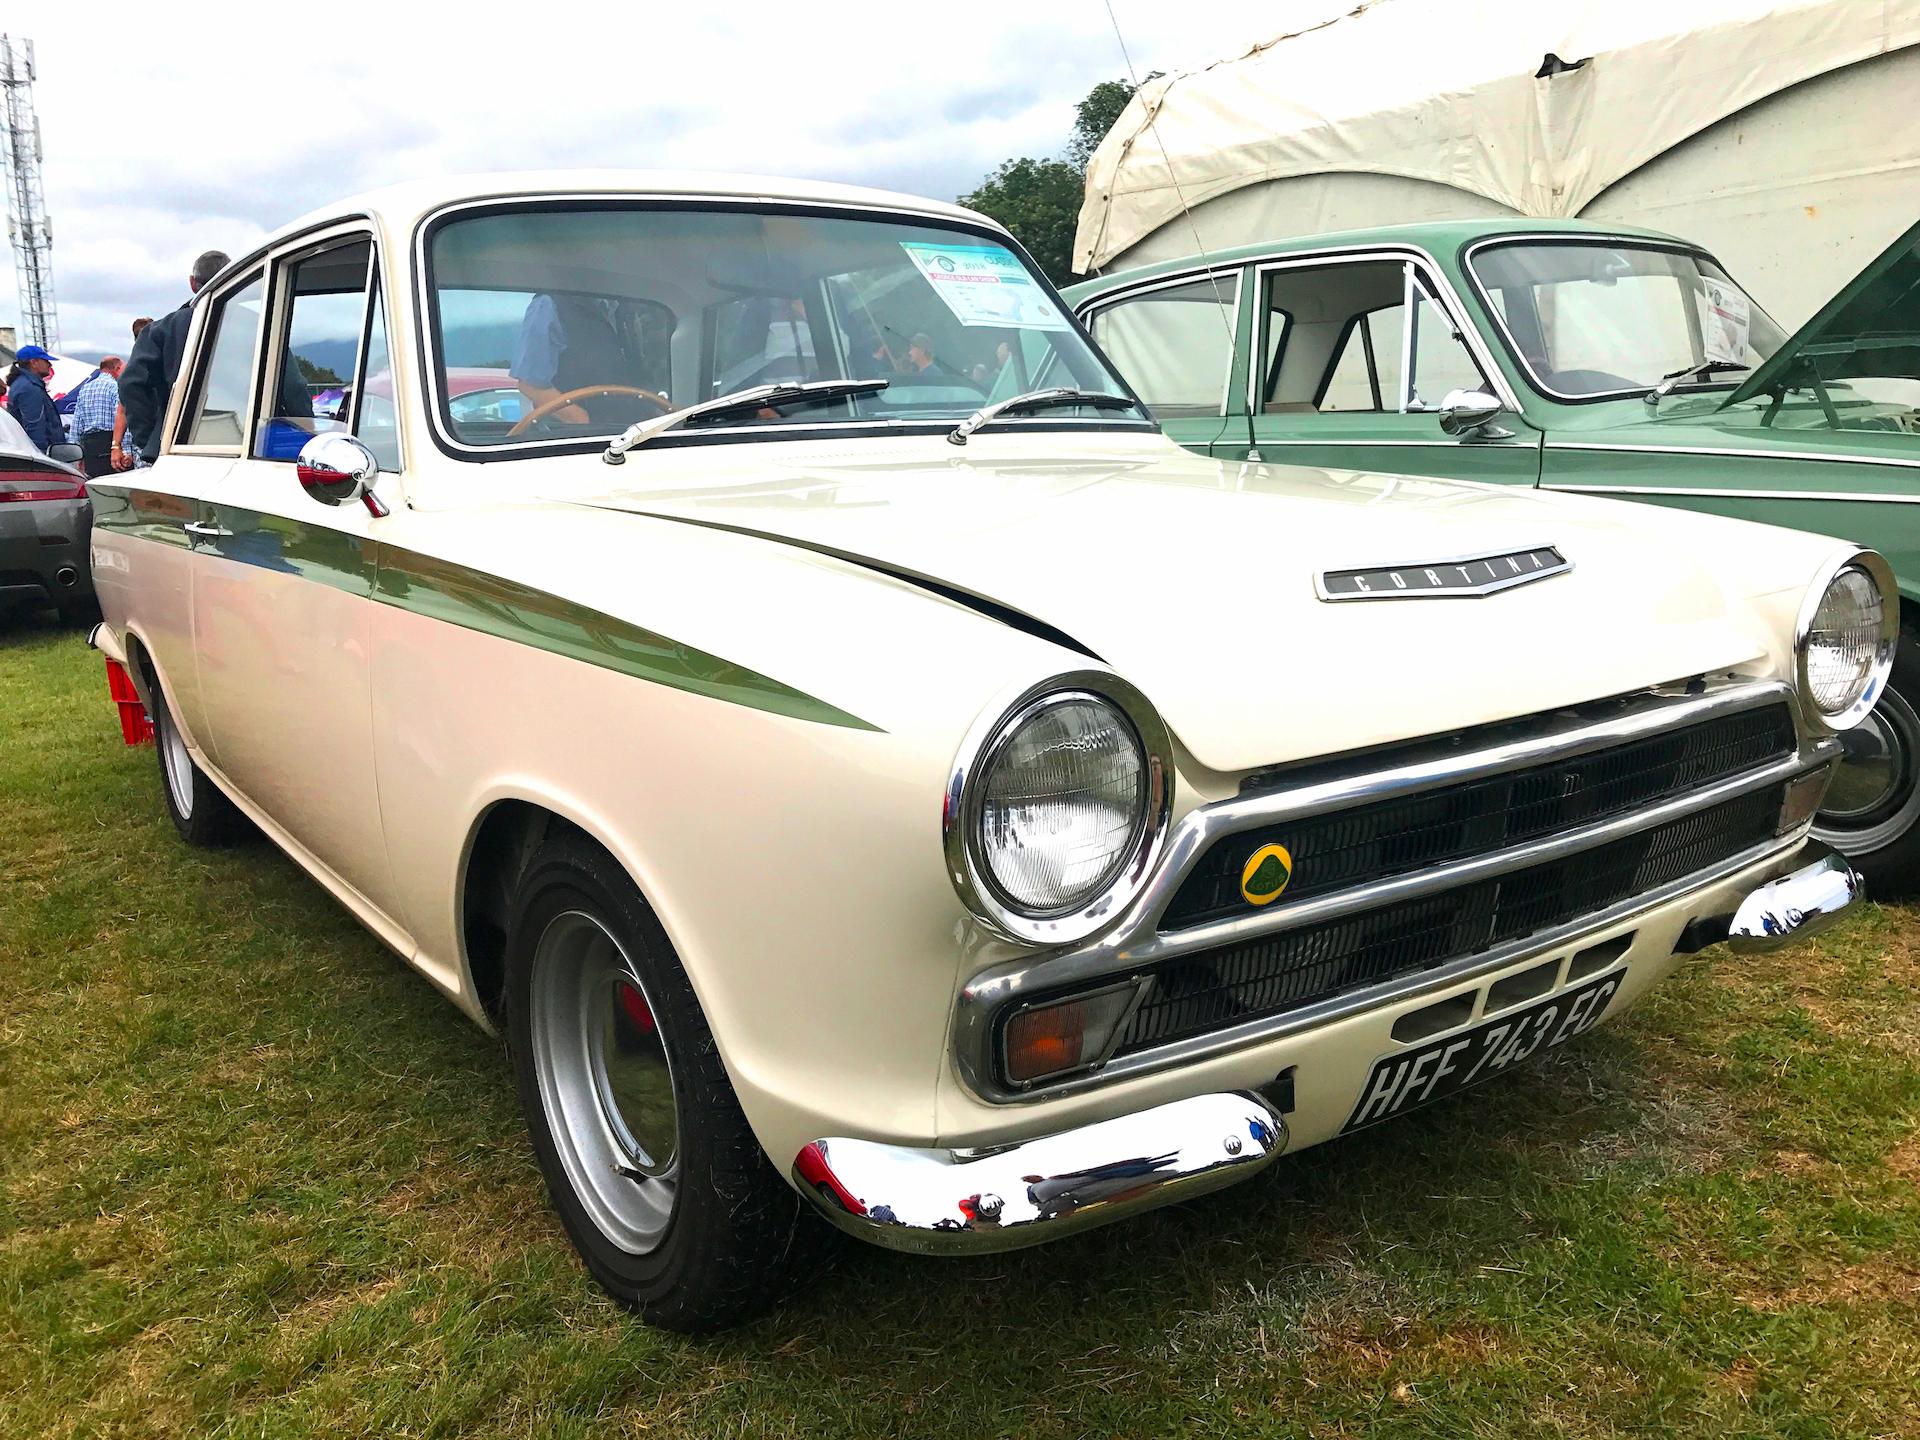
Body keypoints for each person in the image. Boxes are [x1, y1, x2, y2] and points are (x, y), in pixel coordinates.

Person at [120, 250, 229, 462]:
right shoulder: (262, 325)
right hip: (248, 446)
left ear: (192, 283)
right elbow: (292, 387)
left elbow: (131, 384)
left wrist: (154, 438)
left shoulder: (161, 331)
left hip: (178, 448)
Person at [510, 292, 657, 430]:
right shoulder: (549, 303)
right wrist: (584, 423)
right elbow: (531, 384)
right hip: (577, 444)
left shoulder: (627, 306)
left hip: (637, 436)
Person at [69, 356, 124, 477]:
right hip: (111, 443)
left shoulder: (85, 389)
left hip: (90, 448)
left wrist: (75, 454)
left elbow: (77, 423)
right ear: (117, 369)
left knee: (97, 487)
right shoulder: (116, 387)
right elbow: (121, 416)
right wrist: (125, 449)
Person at [5, 344, 63, 453]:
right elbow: (34, 426)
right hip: (40, 456)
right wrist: (42, 458)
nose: (49, 364)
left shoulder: (21, 384)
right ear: (34, 362)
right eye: (45, 360)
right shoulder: (29, 388)